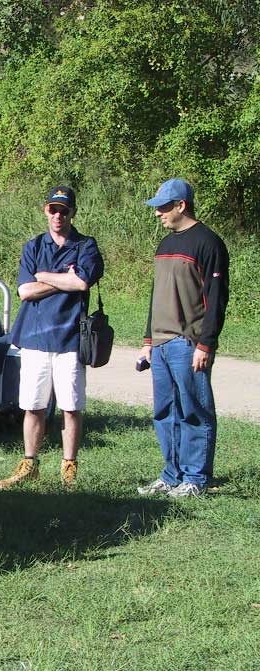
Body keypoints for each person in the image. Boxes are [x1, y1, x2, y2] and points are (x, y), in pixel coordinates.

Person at [0, 185, 104, 489]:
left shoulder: (86, 245)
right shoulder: (33, 246)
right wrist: (63, 279)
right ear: (46, 211)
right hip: (34, 337)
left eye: (64, 210)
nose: (58, 215)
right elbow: (24, 291)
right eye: (53, 209)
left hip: (71, 339)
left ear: (73, 212)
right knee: (33, 405)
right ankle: (29, 464)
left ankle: (69, 467)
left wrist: (43, 276)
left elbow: (82, 283)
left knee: (71, 406)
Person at [136, 179, 229, 499]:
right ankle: (171, 475)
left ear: (181, 205)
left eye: (163, 207)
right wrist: (148, 339)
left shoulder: (208, 243)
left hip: (188, 343)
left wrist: (206, 344)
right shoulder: (164, 244)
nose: (157, 213)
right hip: (161, 343)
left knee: (195, 412)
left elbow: (216, 299)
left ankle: (195, 479)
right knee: (165, 413)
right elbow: (156, 295)